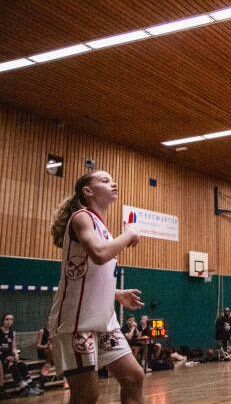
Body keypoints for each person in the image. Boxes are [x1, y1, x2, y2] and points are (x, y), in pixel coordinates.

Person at [46, 171, 145, 404]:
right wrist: (128, 233)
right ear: (88, 191)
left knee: (134, 377)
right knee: (86, 395)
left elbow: (91, 275)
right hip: (77, 322)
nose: (114, 183)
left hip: (103, 321)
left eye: (112, 180)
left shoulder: (103, 229)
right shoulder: (82, 218)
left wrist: (116, 293)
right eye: (105, 180)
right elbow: (99, 254)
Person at [1, 314, 42, 396]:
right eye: (7, 319)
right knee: (13, 366)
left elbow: (13, 347)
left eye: (11, 319)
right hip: (2, 358)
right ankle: (23, 387)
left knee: (22, 364)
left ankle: (31, 385)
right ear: (3, 321)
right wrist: (6, 357)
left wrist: (16, 354)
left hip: (10, 357)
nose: (9, 321)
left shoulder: (12, 332)